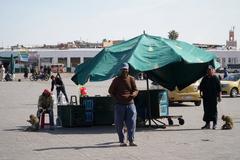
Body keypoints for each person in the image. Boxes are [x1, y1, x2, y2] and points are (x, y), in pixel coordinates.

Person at [108, 63, 139, 146]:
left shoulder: (131, 79)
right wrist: (116, 98)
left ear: (128, 70)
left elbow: (136, 90)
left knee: (132, 123)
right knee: (119, 124)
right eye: (122, 70)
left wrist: (133, 94)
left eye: (125, 69)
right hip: (119, 105)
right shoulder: (116, 80)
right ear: (120, 70)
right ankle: (122, 141)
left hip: (130, 104)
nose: (124, 71)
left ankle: (131, 140)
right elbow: (110, 91)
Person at [199, 65, 221, 129]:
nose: (209, 71)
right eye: (208, 70)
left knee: (214, 110)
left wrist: (219, 97)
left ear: (212, 70)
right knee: (206, 110)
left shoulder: (215, 78)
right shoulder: (205, 78)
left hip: (213, 97)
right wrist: (200, 91)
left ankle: (215, 124)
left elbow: (219, 89)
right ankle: (207, 124)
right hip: (206, 97)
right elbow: (201, 86)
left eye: (210, 70)